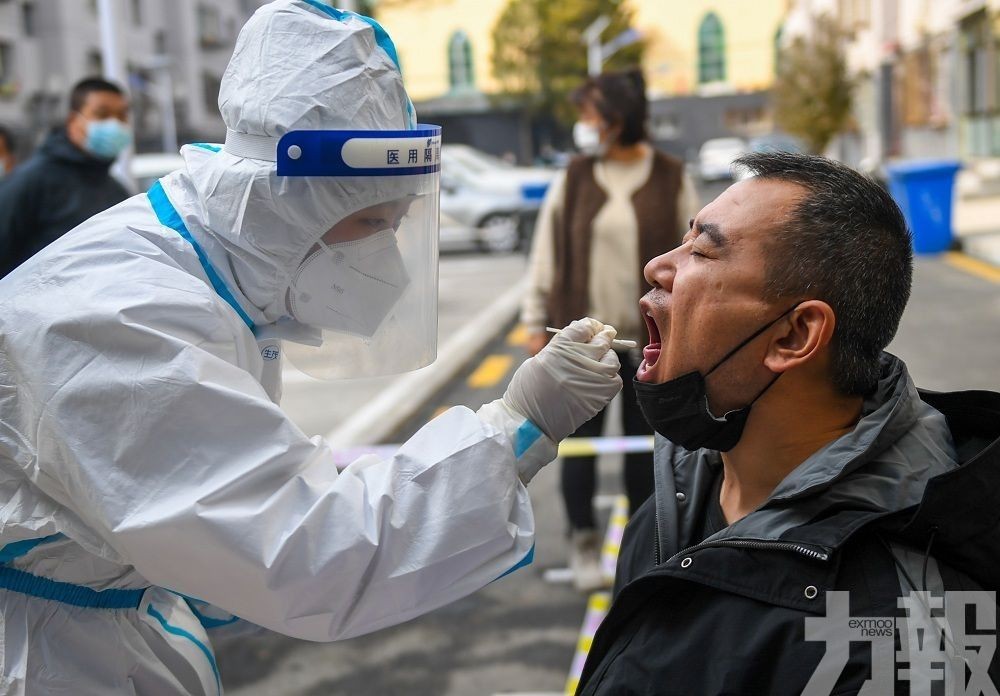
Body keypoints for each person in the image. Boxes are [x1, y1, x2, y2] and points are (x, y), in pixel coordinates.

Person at [0, 3, 623, 694]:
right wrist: (516, 426)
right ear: (284, 200)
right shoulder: (120, 319)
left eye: (399, 221)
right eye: (370, 220)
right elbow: (306, 553)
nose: (386, 255)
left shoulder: (215, 275)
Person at [575, 152, 1000, 694]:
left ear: (795, 336)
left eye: (702, 251)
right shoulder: (674, 503)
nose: (658, 266)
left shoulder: (892, 642)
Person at [521, 68, 699, 592]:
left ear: (618, 118)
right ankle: (581, 541)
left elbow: (697, 257)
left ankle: (642, 551)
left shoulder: (670, 176)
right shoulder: (574, 176)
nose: (584, 123)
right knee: (579, 445)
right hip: (586, 337)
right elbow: (546, 253)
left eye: (590, 113)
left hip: (651, 339)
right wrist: (535, 321)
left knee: (647, 452)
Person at [0, 77, 131, 277]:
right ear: (73, 121)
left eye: (121, 116)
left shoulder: (117, 191)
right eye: (102, 114)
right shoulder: (31, 181)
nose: (114, 124)